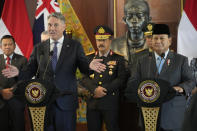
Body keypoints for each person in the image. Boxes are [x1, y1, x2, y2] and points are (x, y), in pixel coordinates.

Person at [2, 12, 105, 131]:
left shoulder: (74, 46)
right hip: (44, 102)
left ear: (63, 27)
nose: (52, 28)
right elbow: (30, 70)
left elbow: (83, 69)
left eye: (55, 25)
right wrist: (18, 73)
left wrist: (89, 66)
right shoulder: (39, 48)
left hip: (66, 102)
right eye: (49, 25)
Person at [127, 24, 195, 131]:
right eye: (155, 38)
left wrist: (180, 88)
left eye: (162, 38)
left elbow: (191, 81)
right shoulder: (142, 60)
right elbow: (133, 81)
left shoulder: (181, 60)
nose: (158, 41)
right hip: (148, 115)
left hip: (173, 114)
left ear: (170, 40)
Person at [81, 25, 127, 131]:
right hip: (93, 102)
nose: (100, 43)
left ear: (110, 40)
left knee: (112, 128)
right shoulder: (88, 58)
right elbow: (84, 78)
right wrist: (95, 89)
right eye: (98, 40)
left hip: (110, 102)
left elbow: (121, 79)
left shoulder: (118, 58)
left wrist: (104, 90)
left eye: (104, 40)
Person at [0, 35, 27, 131]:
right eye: (5, 44)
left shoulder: (23, 60)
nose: (7, 46)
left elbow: (24, 79)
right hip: (0, 101)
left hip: (16, 101)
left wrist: (11, 91)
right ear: (1, 47)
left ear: (14, 46)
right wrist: (2, 91)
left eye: (10, 44)